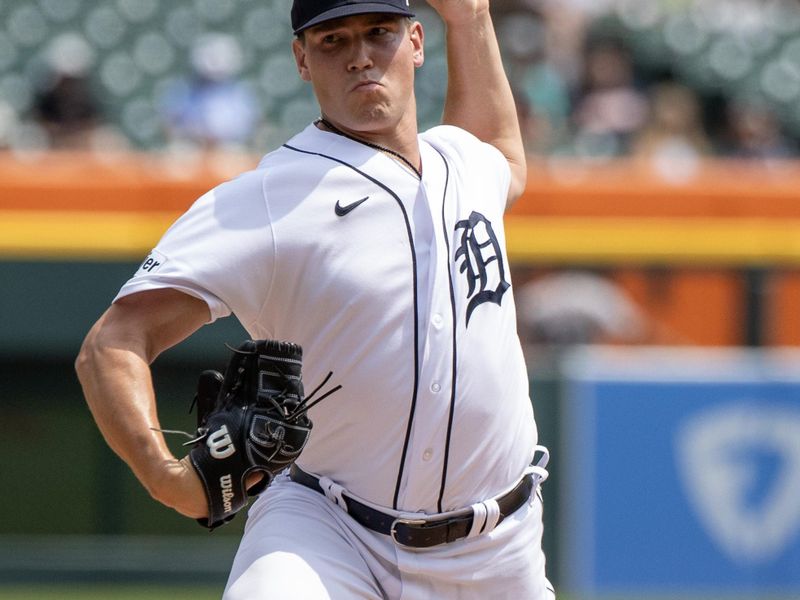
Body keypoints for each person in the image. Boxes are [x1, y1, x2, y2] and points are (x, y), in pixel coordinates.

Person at [75, 0, 554, 597]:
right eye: (333, 41)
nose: (359, 56)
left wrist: (473, 18)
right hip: (329, 530)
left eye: (378, 33)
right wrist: (165, 477)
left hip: (498, 549)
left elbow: (501, 151)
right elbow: (112, 343)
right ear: (302, 59)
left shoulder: (463, 161)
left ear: (416, 42)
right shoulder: (271, 197)